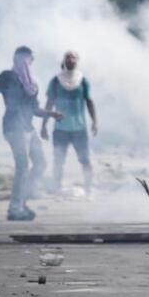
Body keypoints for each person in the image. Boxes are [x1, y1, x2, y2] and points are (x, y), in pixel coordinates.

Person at [0, 46, 61, 221]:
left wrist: (52, 114)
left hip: (28, 127)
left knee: (40, 163)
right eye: (30, 59)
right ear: (22, 59)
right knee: (23, 166)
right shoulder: (7, 76)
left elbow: (34, 109)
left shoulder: (30, 84)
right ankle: (15, 208)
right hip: (13, 127)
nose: (32, 63)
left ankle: (21, 200)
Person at [41, 50, 98, 196]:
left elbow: (89, 101)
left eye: (73, 57)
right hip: (60, 128)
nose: (71, 59)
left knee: (85, 160)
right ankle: (57, 189)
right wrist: (44, 124)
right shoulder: (56, 81)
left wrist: (94, 121)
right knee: (58, 161)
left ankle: (88, 189)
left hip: (79, 128)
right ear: (64, 60)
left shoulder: (83, 80)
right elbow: (50, 102)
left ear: (77, 60)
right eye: (68, 57)